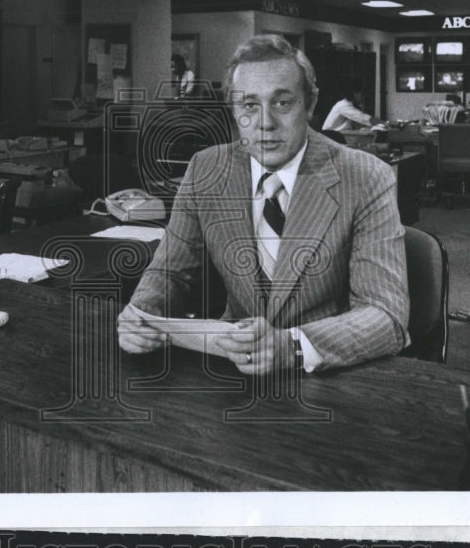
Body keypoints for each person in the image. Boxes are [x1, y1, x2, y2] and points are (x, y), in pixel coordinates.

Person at [118, 35, 410, 374]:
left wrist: (291, 347)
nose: (265, 123)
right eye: (249, 105)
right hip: (233, 368)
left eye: (283, 103)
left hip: (330, 374)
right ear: (233, 109)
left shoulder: (366, 176)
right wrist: (140, 315)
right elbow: (170, 272)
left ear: (310, 104)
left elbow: (386, 315)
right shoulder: (206, 169)